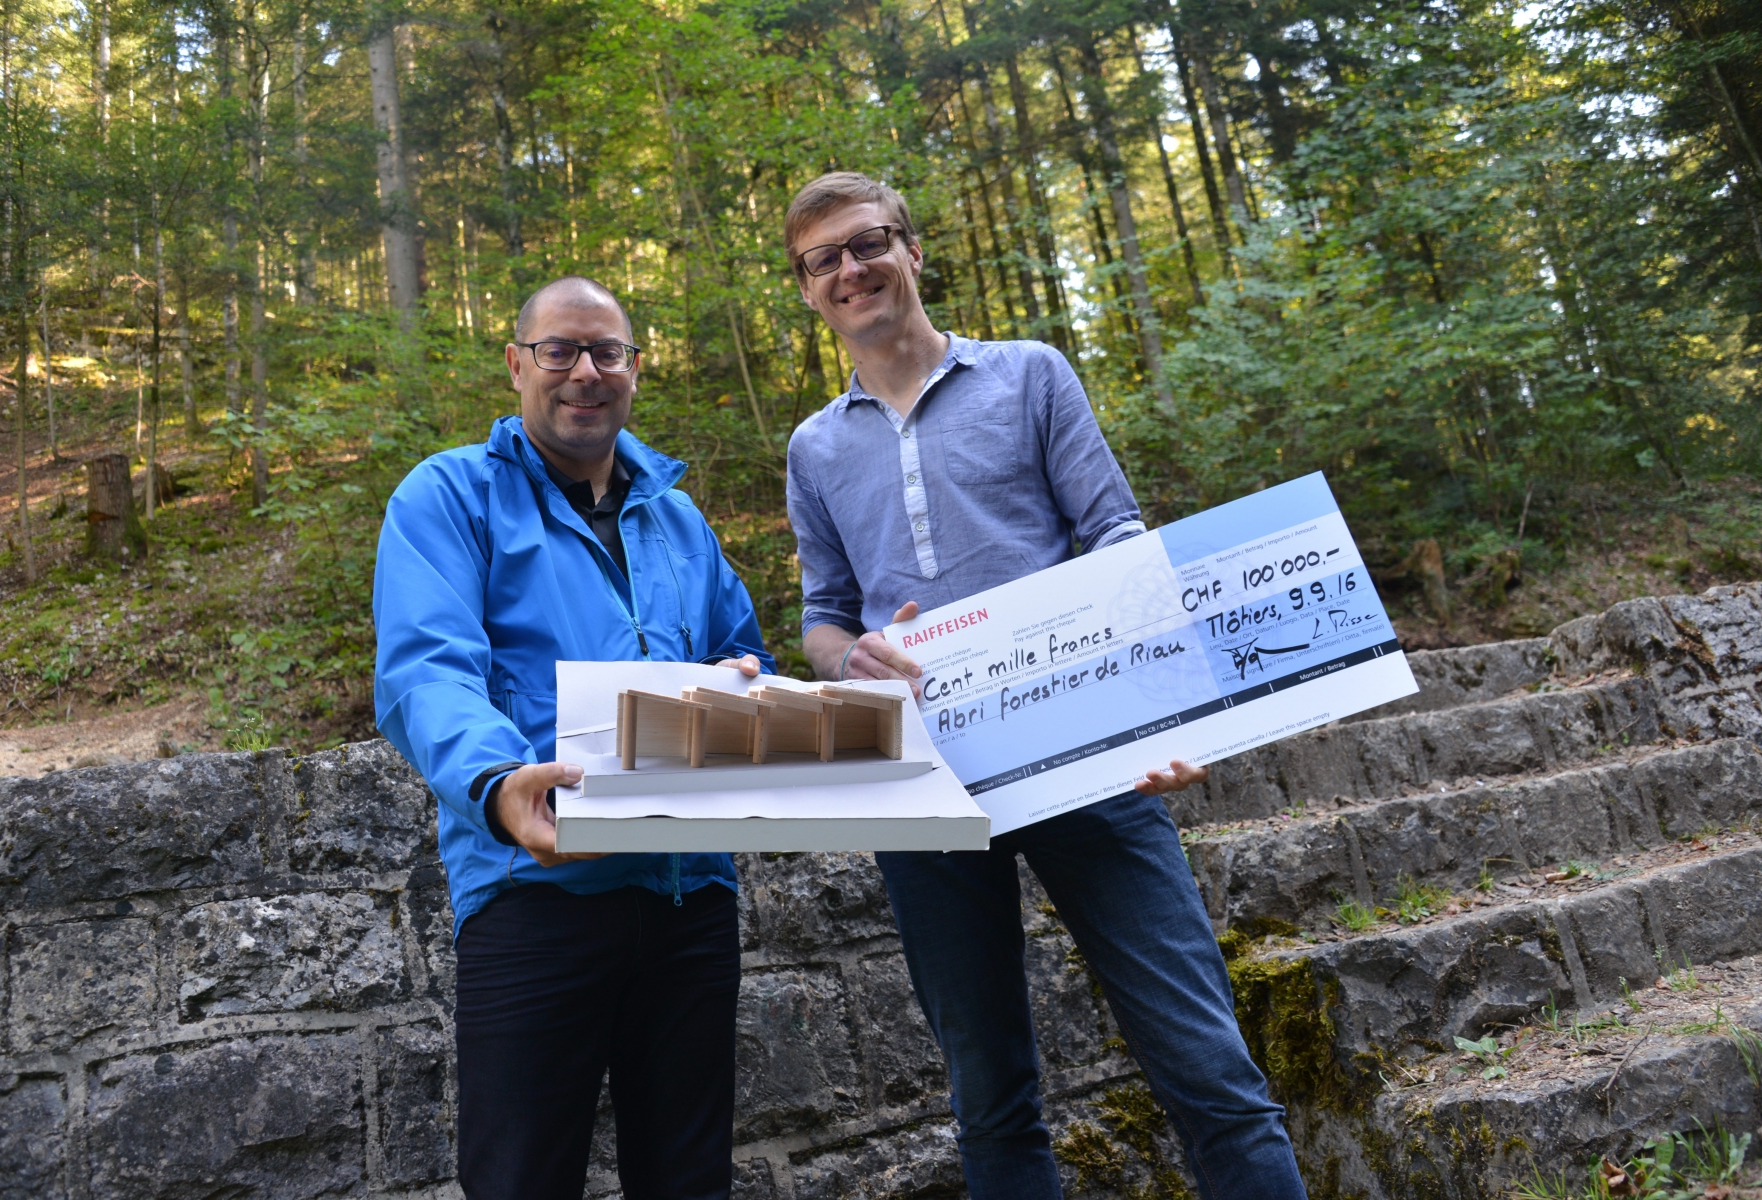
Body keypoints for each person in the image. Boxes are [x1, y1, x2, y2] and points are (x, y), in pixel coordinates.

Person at [782, 174, 1308, 1199]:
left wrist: (1160, 706)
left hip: (1090, 756)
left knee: (1208, 1069)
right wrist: (849, 660)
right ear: (807, 289)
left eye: (867, 242)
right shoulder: (812, 446)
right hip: (924, 784)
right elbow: (822, 615)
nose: (851, 269)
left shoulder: (1030, 376)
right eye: (824, 260)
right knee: (988, 1095)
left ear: (913, 248)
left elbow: (1116, 534)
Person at [373, 275, 773, 1200]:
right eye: (559, 350)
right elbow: (426, 672)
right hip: (533, 893)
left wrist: (748, 691)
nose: (585, 371)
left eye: (608, 352)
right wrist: (497, 777)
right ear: (516, 365)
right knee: (521, 1181)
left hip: (691, 897)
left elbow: (739, 655)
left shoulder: (680, 520)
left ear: (635, 369)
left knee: (690, 1182)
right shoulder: (448, 497)